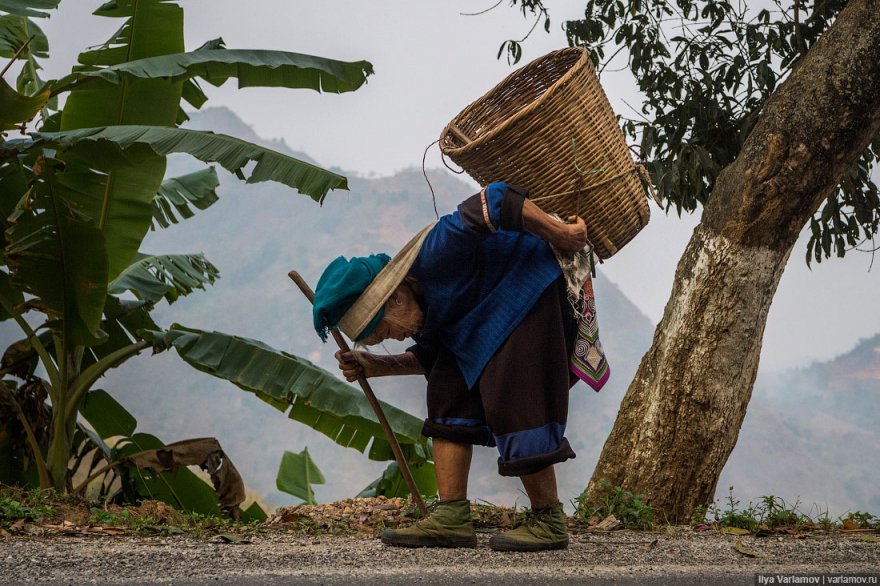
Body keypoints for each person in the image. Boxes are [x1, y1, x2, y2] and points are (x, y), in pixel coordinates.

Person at [312, 182, 589, 552]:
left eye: (384, 331)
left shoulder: (435, 252)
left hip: (526, 291)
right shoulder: (426, 314)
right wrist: (374, 366)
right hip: (483, 324)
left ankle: (548, 519)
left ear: (396, 295)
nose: (394, 339)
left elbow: (498, 199)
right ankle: (452, 516)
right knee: (446, 384)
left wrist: (563, 234)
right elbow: (430, 356)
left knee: (513, 392)